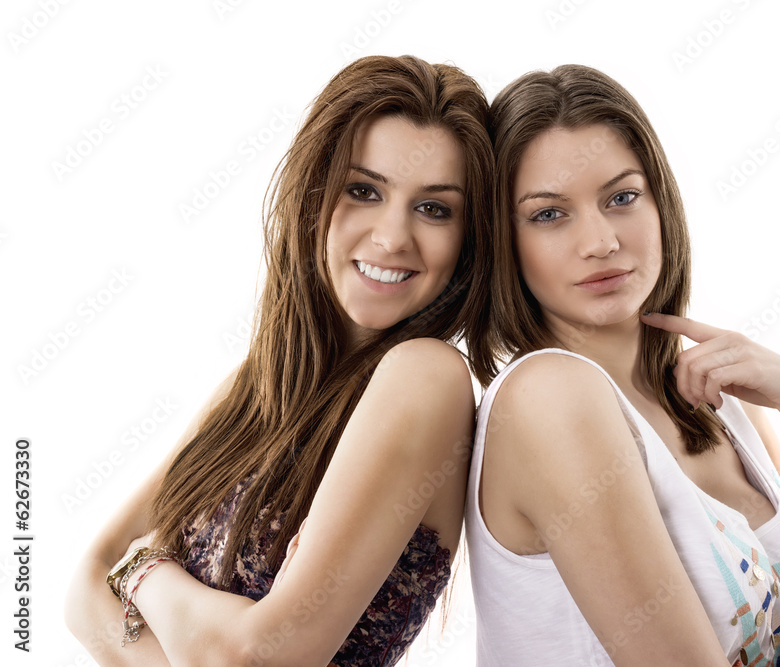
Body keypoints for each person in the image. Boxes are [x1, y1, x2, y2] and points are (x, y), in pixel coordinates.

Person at [64, 54, 494, 666]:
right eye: (364, 191)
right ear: (315, 196)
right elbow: (82, 585)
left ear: (469, 239)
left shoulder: (426, 377)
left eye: (434, 208)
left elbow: (259, 659)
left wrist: (141, 569)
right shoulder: (252, 385)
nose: (394, 236)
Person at [464, 64, 780, 666]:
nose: (601, 241)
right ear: (503, 241)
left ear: (660, 201)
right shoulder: (548, 398)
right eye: (548, 214)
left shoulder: (720, 399)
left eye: (621, 198)